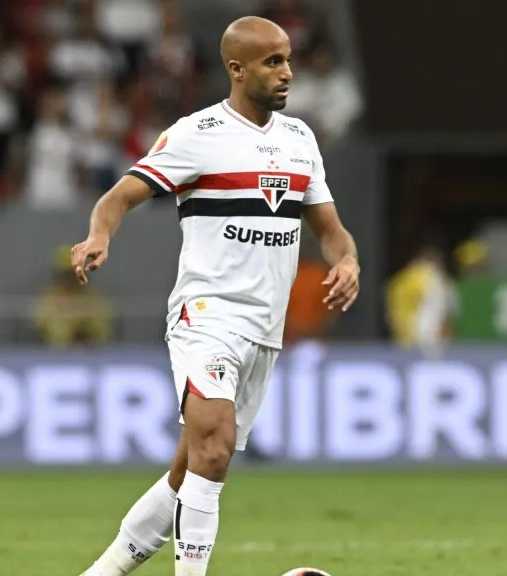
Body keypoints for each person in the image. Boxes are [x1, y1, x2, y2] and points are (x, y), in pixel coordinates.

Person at [71, 16, 360, 576]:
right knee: (214, 448)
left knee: (189, 468)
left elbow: (329, 228)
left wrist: (346, 258)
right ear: (236, 69)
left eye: (288, 60)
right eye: (272, 62)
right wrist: (98, 235)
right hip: (206, 315)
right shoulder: (195, 135)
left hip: (263, 330)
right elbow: (118, 196)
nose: (287, 73)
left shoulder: (300, 140)